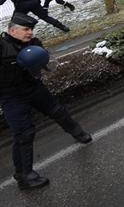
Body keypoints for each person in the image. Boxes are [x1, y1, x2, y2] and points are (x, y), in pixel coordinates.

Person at [0, 13, 91, 190]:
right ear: (12, 31)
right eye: (26, 29)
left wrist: (42, 61)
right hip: (11, 95)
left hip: (33, 88)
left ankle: (78, 133)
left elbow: (48, 64)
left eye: (31, 29)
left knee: (57, 111)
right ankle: (24, 176)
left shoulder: (34, 43)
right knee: (24, 133)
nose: (30, 32)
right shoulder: (2, 46)